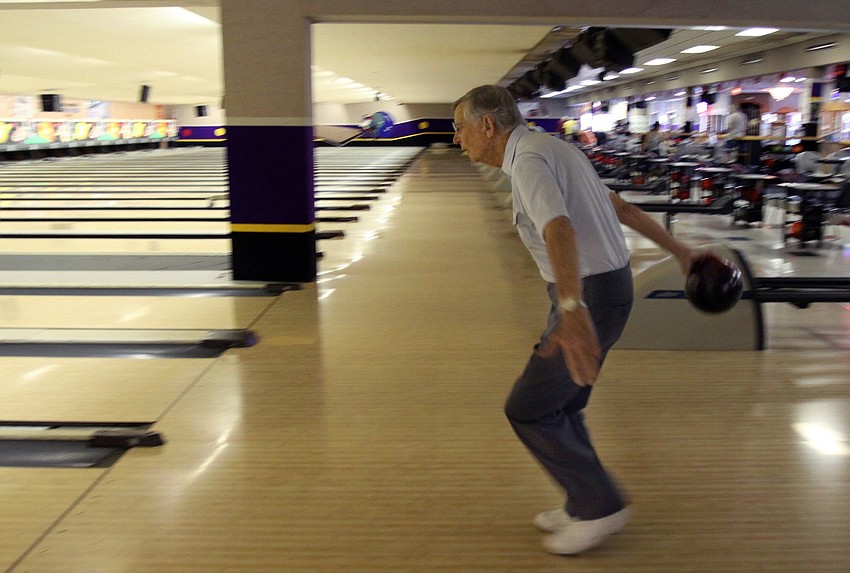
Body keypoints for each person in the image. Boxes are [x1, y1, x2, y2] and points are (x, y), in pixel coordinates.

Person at [452, 85, 695, 555]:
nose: (457, 139)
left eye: (460, 128)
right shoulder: (553, 147)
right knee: (563, 404)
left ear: (487, 126)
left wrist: (572, 310)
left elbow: (558, 228)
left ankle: (601, 506)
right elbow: (618, 206)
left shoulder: (527, 162)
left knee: (529, 407)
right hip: (598, 289)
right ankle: (584, 501)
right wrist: (681, 251)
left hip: (590, 294)